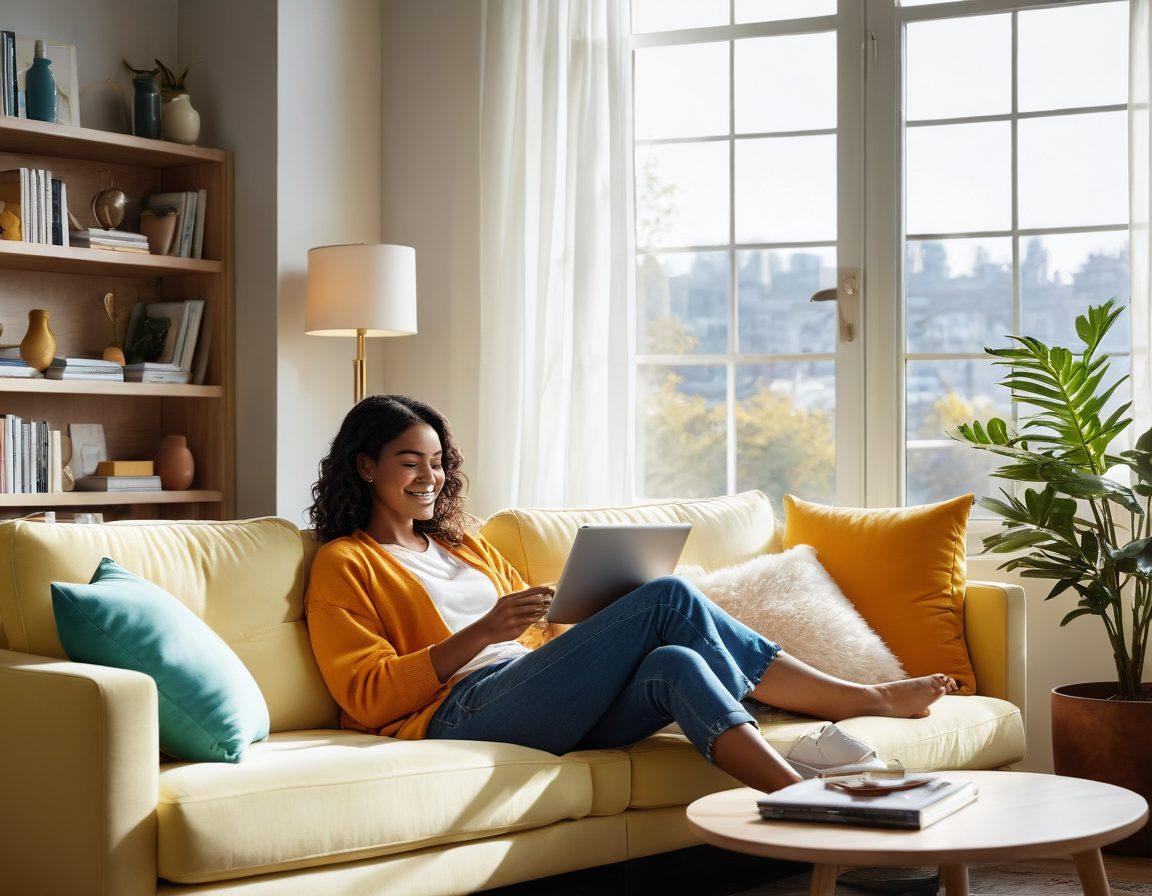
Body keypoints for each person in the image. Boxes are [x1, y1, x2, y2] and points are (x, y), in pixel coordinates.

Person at [305, 395, 958, 794]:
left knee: (675, 663)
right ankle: (860, 701)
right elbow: (366, 698)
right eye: (410, 461)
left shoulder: (466, 546)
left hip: (532, 691)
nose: (430, 476)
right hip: (458, 712)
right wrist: (481, 634)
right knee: (667, 598)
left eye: (438, 461)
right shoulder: (345, 563)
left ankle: (795, 799)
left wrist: (589, 626)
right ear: (367, 466)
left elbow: (541, 644)